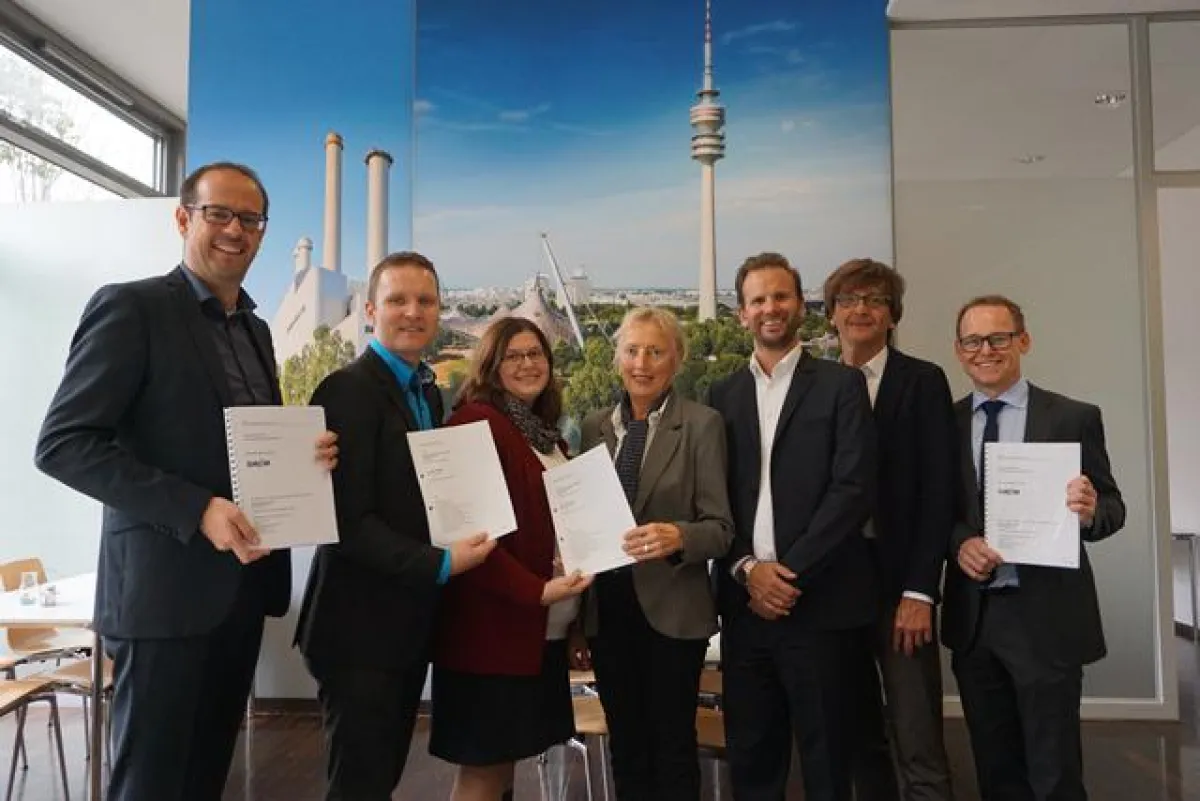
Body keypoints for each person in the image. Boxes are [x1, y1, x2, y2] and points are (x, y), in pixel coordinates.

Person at [34, 162, 338, 801]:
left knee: (204, 779)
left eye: (250, 220)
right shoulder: (132, 307)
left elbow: (237, 448)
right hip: (164, 598)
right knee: (150, 784)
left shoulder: (254, 330)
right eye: (218, 214)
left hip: (241, 590)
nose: (235, 231)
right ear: (183, 218)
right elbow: (64, 444)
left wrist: (303, 460)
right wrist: (196, 508)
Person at [294, 252, 496, 801]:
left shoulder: (426, 391)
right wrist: (445, 562)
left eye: (425, 301)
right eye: (397, 300)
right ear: (368, 311)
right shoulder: (348, 390)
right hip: (359, 629)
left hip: (402, 625)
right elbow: (348, 523)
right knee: (359, 784)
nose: (413, 312)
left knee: (380, 777)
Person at [708, 252, 879, 801]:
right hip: (745, 609)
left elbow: (852, 490)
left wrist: (785, 575)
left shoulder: (841, 386)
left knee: (828, 760)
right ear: (741, 314)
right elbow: (712, 497)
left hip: (820, 606)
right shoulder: (722, 396)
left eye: (780, 296)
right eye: (757, 299)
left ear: (799, 305)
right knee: (753, 760)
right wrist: (747, 570)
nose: (770, 308)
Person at [944, 295, 1124, 801]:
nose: (986, 350)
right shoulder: (945, 422)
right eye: (973, 340)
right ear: (959, 351)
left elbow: (1112, 506)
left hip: (1047, 617)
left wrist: (1090, 512)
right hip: (977, 620)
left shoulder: (1073, 417)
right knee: (995, 770)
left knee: (1054, 771)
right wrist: (958, 544)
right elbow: (932, 513)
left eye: (998, 337)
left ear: (1023, 340)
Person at [429, 316, 592, 801]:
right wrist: (536, 590)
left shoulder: (545, 435)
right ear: (492, 366)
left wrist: (571, 617)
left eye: (536, 353)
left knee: (505, 767)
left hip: (537, 632)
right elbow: (469, 535)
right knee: (483, 770)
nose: (527, 364)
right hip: (491, 634)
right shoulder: (474, 422)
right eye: (514, 356)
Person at [578, 306, 734, 801]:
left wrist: (679, 537)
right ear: (616, 357)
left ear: (677, 360)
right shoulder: (592, 426)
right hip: (608, 609)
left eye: (655, 351)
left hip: (673, 612)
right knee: (625, 744)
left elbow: (721, 529)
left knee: (671, 746)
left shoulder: (703, 425)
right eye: (631, 350)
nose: (641, 362)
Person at [824, 259, 957, 801]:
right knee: (857, 735)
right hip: (833, 589)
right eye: (850, 299)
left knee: (917, 732)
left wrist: (921, 590)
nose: (861, 309)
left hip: (900, 587)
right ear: (831, 313)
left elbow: (938, 494)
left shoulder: (922, 382)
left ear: (893, 315)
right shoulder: (817, 386)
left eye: (875, 300)